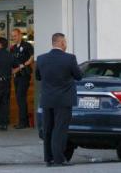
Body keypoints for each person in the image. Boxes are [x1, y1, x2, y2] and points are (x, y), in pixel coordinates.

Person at [36, 33, 82, 167]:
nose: (66, 44)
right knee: (60, 130)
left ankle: (48, 158)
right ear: (62, 43)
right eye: (65, 42)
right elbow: (79, 76)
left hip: (47, 99)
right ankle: (59, 159)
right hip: (63, 100)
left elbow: (38, 76)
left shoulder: (41, 58)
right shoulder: (70, 58)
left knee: (48, 129)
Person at [10, 28, 34, 129]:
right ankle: (23, 121)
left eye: (15, 36)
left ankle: (23, 122)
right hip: (16, 76)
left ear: (20, 35)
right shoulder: (13, 48)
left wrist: (21, 66)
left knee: (21, 97)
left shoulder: (27, 45)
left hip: (24, 75)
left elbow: (32, 58)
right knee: (19, 98)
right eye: (12, 36)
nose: (13, 38)